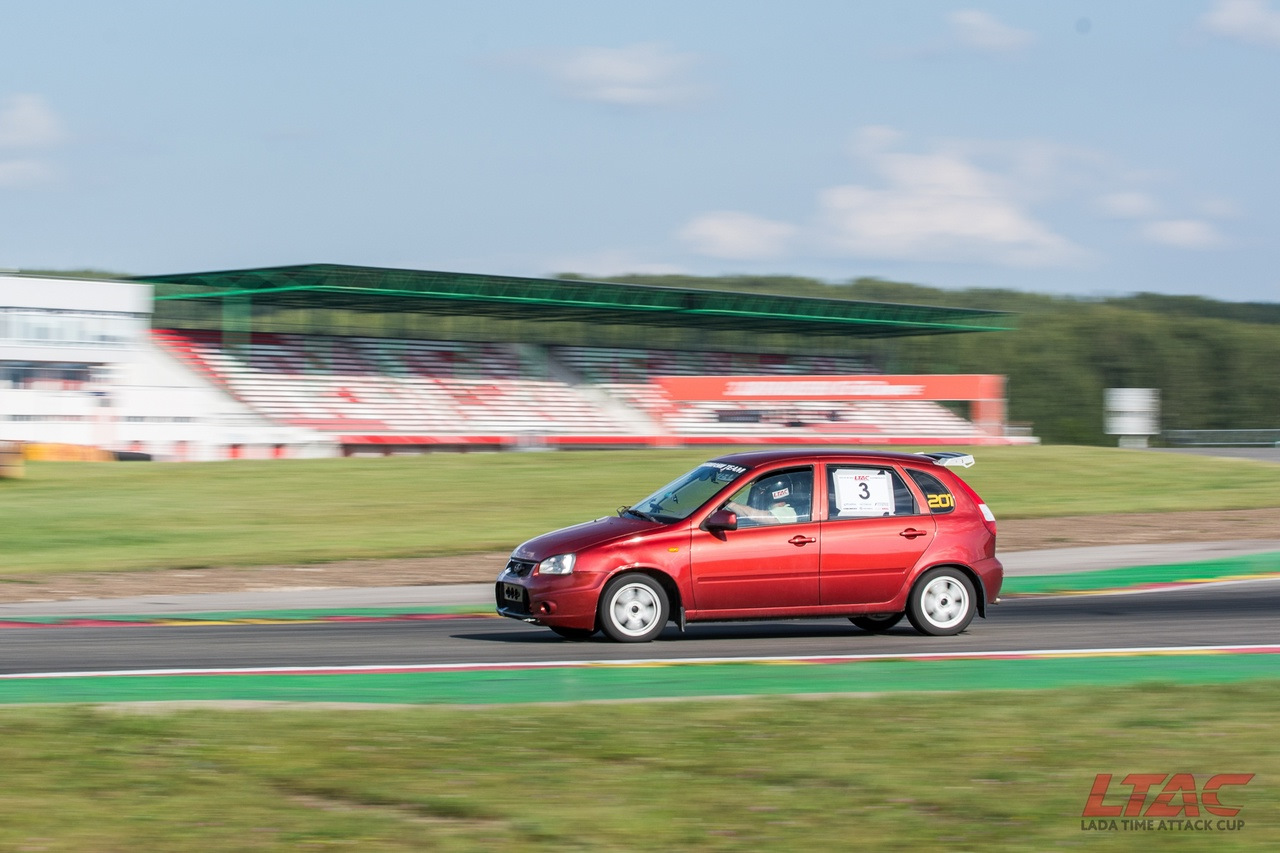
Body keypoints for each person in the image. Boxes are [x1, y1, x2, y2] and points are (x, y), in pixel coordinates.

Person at [726, 477, 798, 525]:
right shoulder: (769, 508)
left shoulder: (787, 513)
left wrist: (728, 504)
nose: (760, 493)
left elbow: (753, 515)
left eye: (761, 490)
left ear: (774, 491)